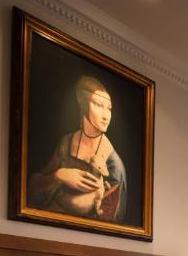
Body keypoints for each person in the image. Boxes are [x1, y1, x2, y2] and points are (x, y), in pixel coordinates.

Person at [28, 75, 128, 222]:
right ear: (83, 105)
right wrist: (60, 175)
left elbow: (111, 224)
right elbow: (32, 192)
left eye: (109, 108)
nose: (106, 116)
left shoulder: (114, 165)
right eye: (98, 105)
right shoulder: (66, 143)